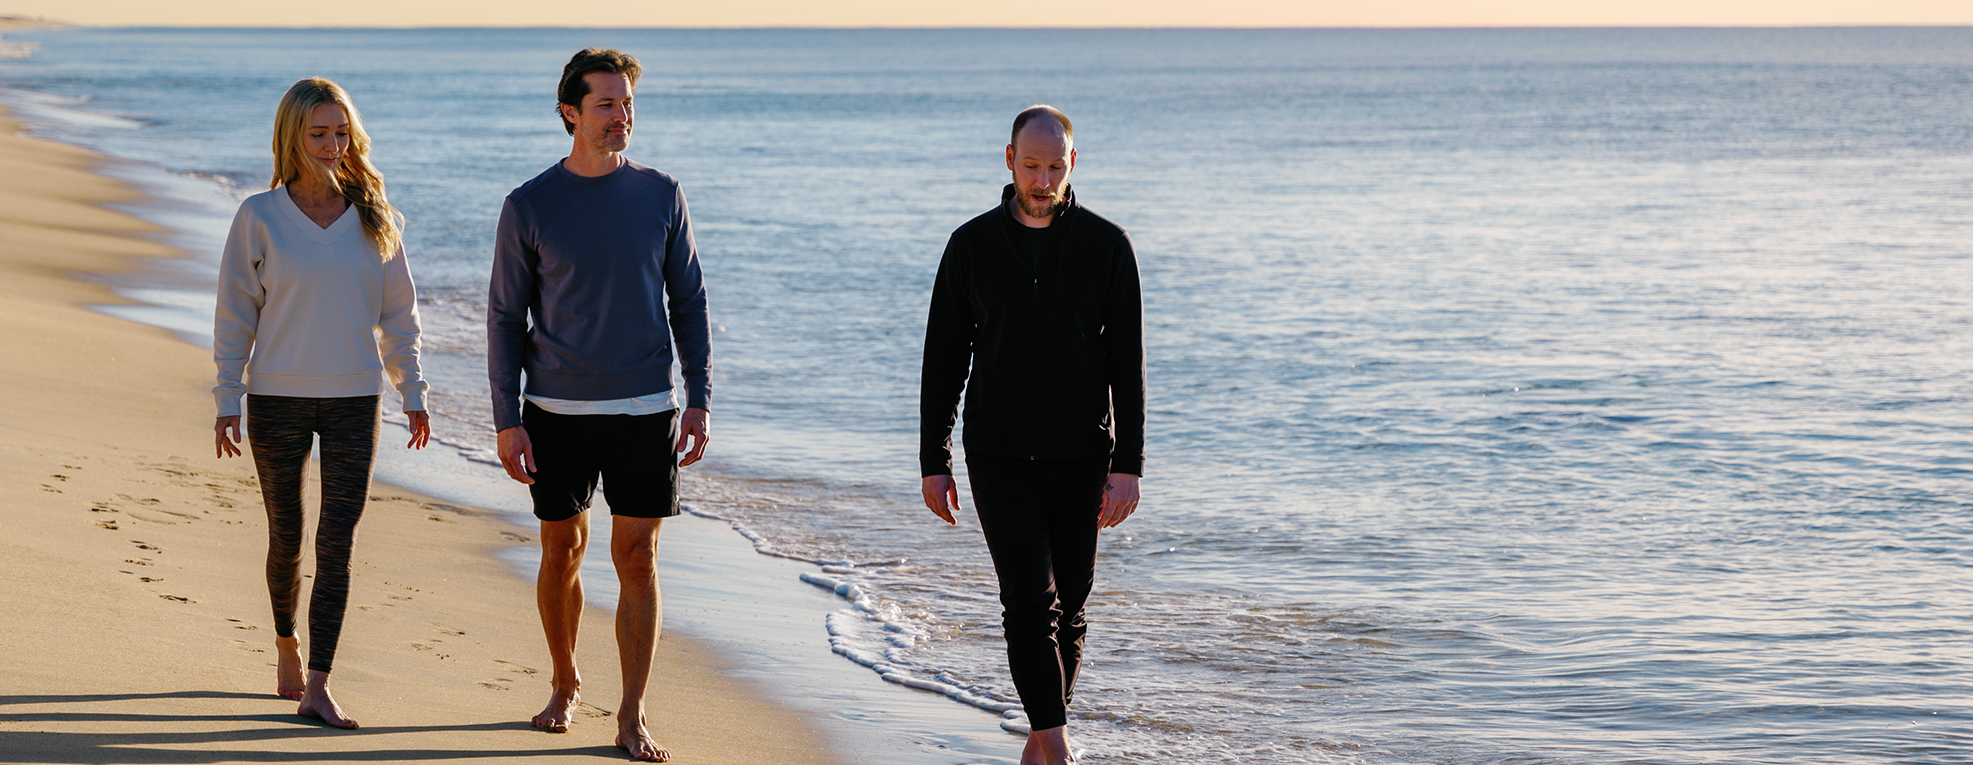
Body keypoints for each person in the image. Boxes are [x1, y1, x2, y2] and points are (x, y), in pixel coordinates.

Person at [487, 48, 712, 763]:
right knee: (562, 550)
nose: (622, 117)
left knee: (637, 557)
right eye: (607, 104)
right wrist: (507, 418)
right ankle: (564, 681)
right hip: (555, 409)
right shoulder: (529, 204)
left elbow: (690, 301)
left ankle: (632, 712)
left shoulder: (661, 194)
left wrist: (700, 397)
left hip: (647, 407)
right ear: (570, 113)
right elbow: (504, 317)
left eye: (628, 104)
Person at [920, 105, 1145, 765]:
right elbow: (943, 359)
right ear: (1009, 161)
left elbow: (1126, 364)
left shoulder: (1107, 245)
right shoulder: (971, 245)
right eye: (1030, 166)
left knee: (1070, 607)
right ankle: (1058, 745)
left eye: (1054, 167)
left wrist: (1128, 465)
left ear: (1071, 164)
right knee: (1027, 600)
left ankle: (1040, 740)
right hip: (998, 452)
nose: (1042, 181)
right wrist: (934, 458)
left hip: (1083, 452)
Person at [212, 77, 431, 730]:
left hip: (354, 399)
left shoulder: (375, 216)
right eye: (319, 134)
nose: (333, 145)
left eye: (341, 133)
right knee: (287, 537)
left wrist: (413, 391)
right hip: (276, 397)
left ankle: (319, 683)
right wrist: (227, 395)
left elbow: (400, 316)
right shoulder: (259, 216)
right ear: (292, 137)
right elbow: (235, 312)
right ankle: (287, 642)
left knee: (337, 542)